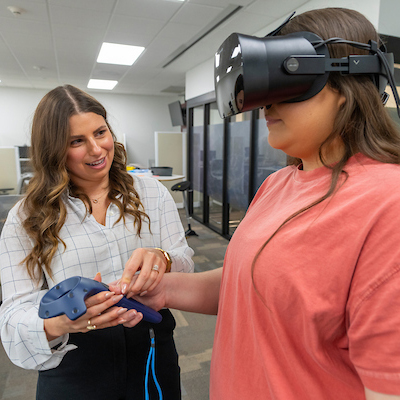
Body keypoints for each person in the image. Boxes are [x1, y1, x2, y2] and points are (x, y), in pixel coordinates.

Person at [115, 7, 400, 400]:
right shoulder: (277, 184)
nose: (265, 104)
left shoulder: (389, 205)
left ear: (349, 83)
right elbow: (247, 280)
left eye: (289, 79)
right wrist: (163, 290)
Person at [0, 84, 194, 400]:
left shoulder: (151, 193)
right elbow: (11, 319)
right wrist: (59, 323)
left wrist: (164, 258)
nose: (96, 149)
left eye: (100, 132)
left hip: (152, 350)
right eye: (77, 141)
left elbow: (184, 262)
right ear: (54, 150)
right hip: (75, 363)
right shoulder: (26, 217)